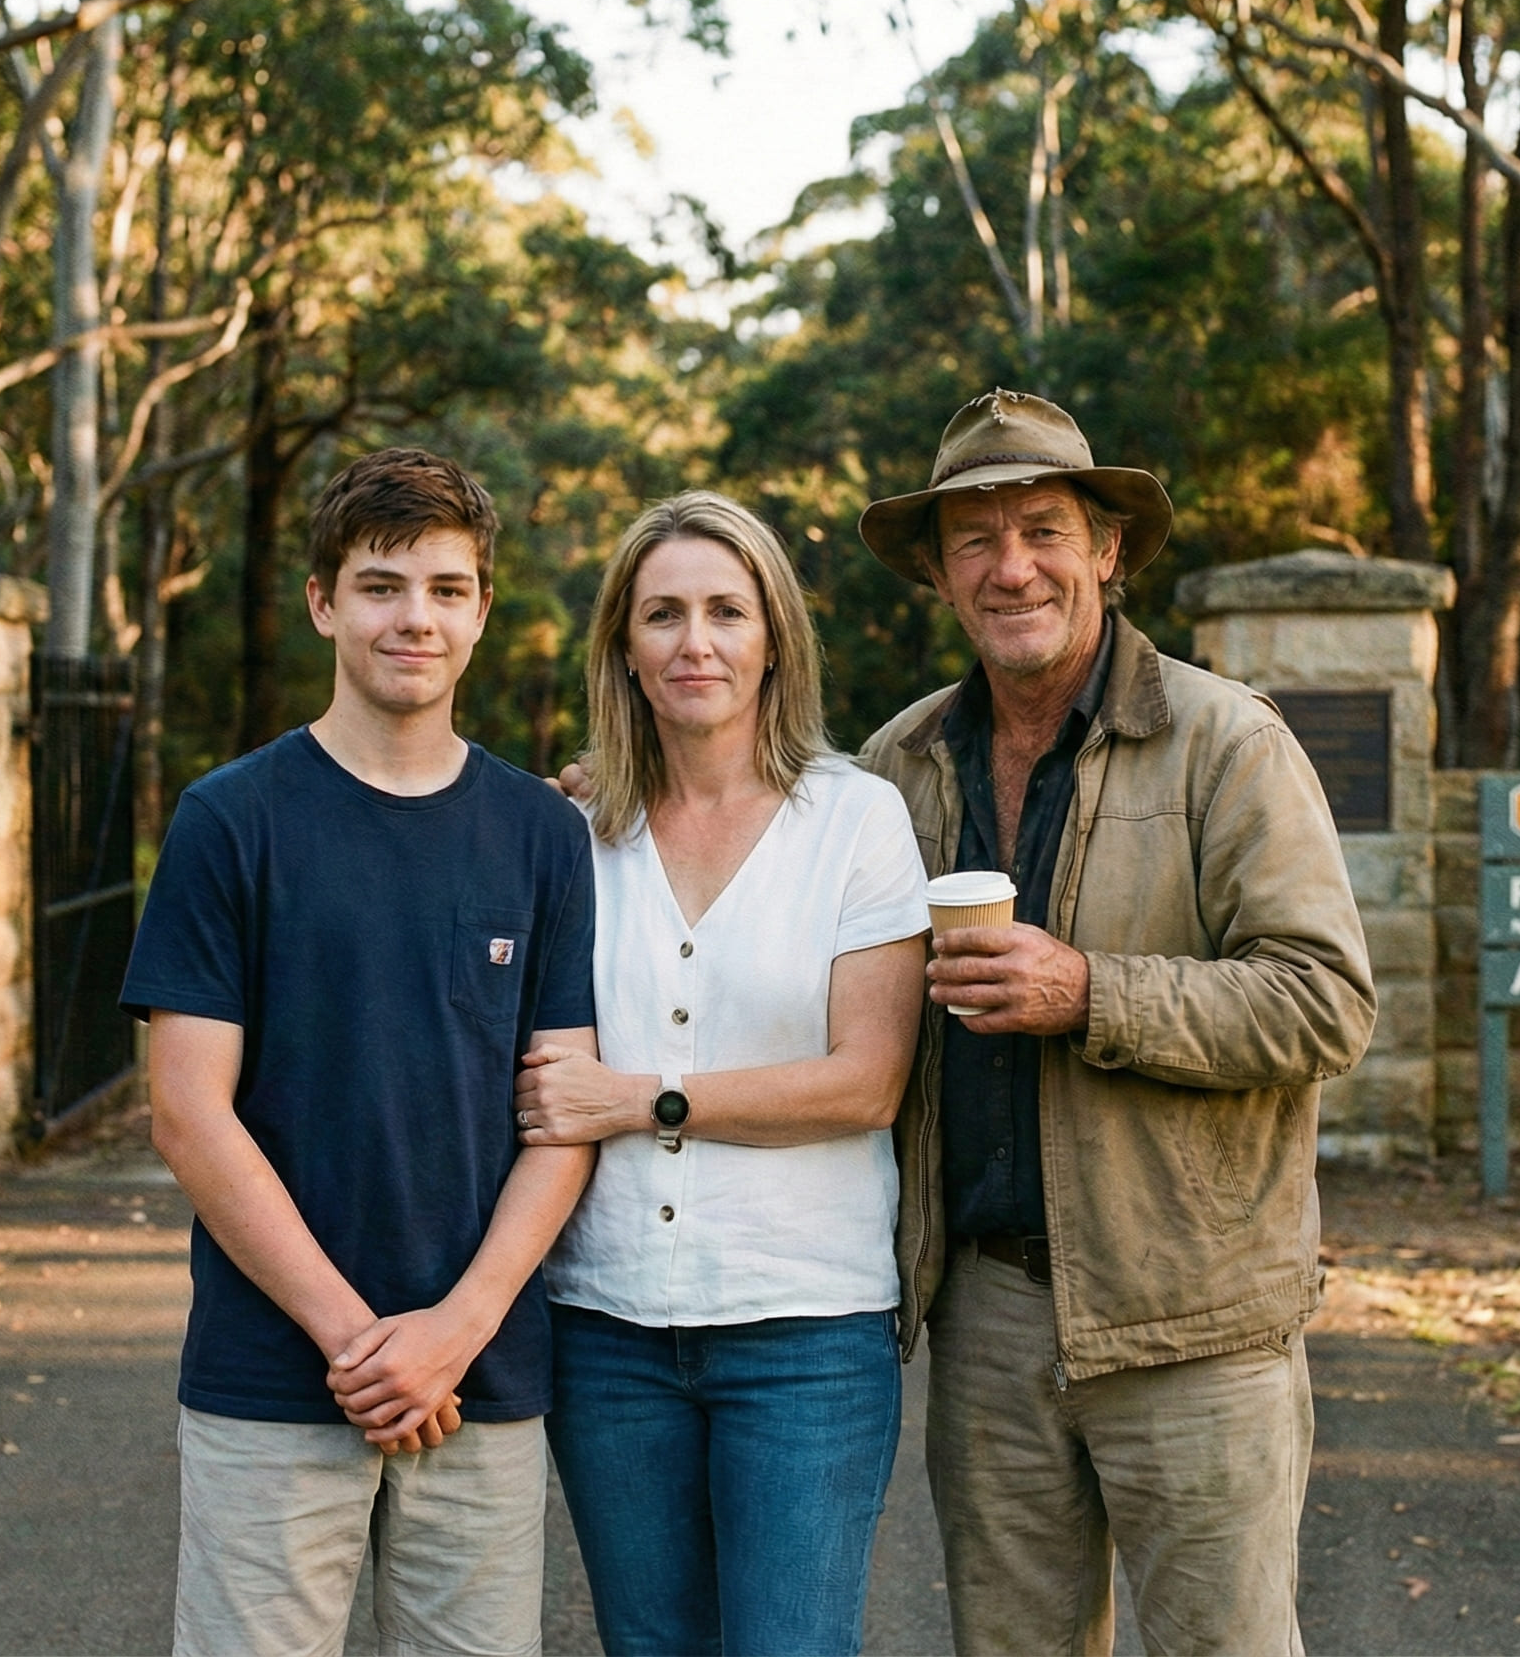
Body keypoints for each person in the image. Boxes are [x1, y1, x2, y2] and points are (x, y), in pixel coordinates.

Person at [854, 390, 1376, 1657]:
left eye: (1042, 526)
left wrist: (1091, 992)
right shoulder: (895, 765)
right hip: (985, 1322)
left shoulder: (1226, 742)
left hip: (1192, 1315)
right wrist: (615, 809)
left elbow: (1326, 1000)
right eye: (975, 539)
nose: (1011, 564)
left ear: (1110, 551)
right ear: (939, 570)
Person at [123, 447, 598, 1657]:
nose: (415, 618)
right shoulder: (231, 819)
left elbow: (564, 1109)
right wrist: (355, 1339)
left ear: (483, 611)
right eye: (382, 585)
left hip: (479, 1379)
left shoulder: (542, 833)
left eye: (446, 588)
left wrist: (455, 1326)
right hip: (273, 1375)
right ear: (326, 602)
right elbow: (188, 1112)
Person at [514, 490, 930, 1657]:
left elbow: (866, 1081)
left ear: (773, 638)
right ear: (625, 649)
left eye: (725, 611)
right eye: (663, 614)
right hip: (608, 1329)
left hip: (805, 1335)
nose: (695, 641)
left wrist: (648, 1100)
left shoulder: (858, 820)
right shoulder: (571, 836)